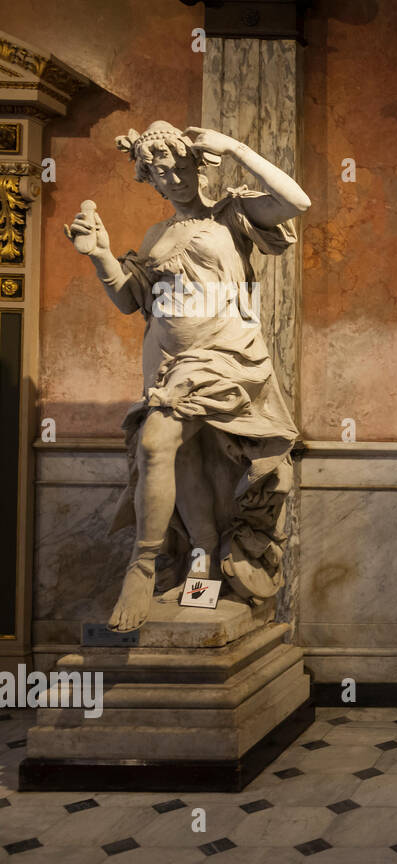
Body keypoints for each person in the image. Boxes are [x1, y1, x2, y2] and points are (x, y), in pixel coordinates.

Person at [65, 121, 310, 632]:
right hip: (165, 361)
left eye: (179, 167)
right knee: (186, 459)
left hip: (223, 355)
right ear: (149, 180)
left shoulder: (234, 213)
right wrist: (101, 255)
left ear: (199, 165)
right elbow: (132, 300)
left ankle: (142, 565)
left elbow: (296, 201)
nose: (172, 179)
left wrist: (235, 147)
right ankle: (201, 560)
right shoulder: (157, 235)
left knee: (157, 443)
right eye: (159, 173)